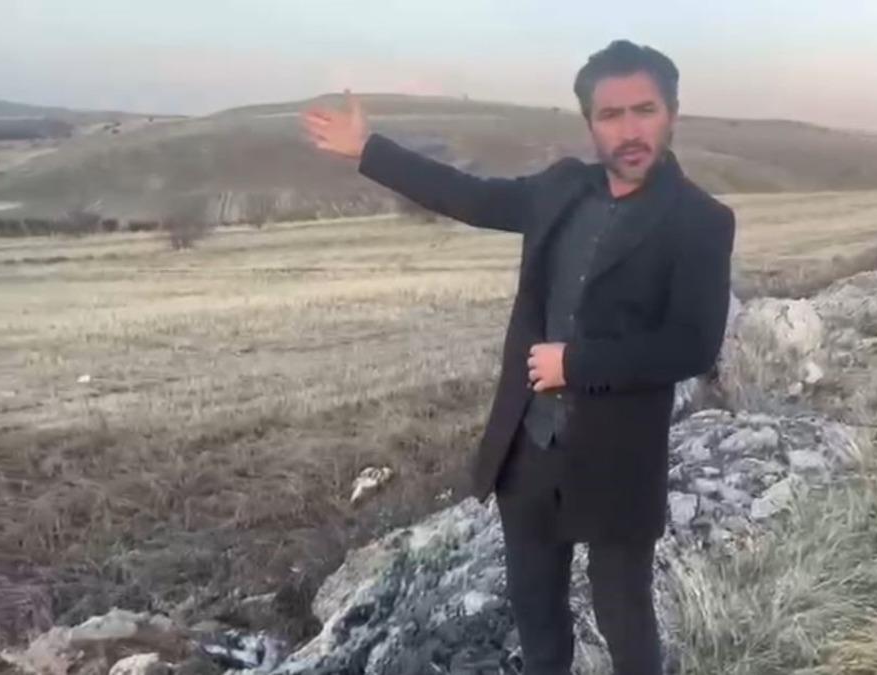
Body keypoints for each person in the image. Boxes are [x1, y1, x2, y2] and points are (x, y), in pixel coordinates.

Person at [301, 39, 735, 675]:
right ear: (590, 123)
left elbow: (692, 345)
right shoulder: (561, 188)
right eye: (611, 115)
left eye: (644, 110)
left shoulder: (701, 220)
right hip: (528, 448)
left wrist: (576, 364)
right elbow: (471, 197)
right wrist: (371, 150)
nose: (629, 130)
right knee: (537, 619)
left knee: (624, 620)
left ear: (672, 112)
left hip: (617, 458)